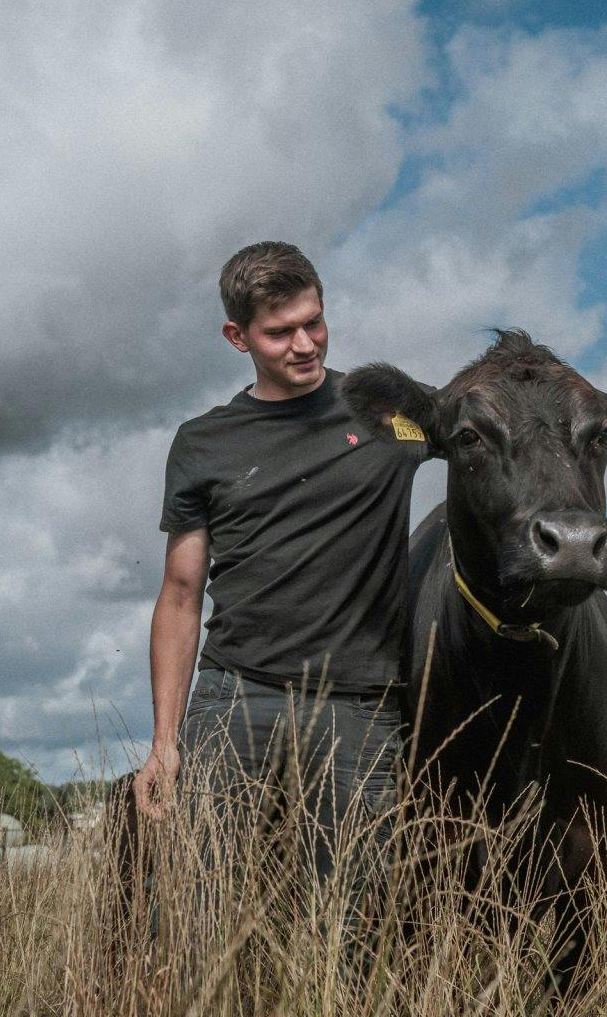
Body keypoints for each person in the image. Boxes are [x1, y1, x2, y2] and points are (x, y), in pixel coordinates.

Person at [131, 241, 429, 892]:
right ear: (237, 336)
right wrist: (165, 740)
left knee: (353, 927)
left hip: (360, 706)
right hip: (236, 696)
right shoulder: (203, 442)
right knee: (193, 916)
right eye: (280, 332)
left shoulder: (388, 413)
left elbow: (494, 432)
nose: (304, 344)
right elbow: (181, 595)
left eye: (314, 322)